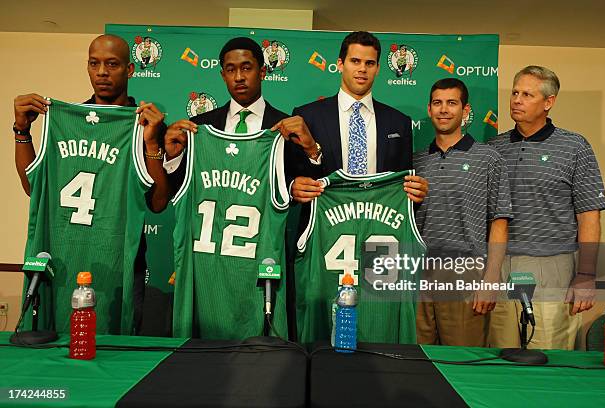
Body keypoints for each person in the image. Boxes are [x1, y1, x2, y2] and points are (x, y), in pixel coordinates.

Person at [162, 37, 317, 339]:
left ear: (262, 71)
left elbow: (308, 185)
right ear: (222, 74)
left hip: (261, 265)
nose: (238, 76)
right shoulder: (198, 127)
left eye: (246, 68)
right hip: (207, 266)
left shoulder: (284, 127)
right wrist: (172, 156)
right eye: (230, 69)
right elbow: (177, 193)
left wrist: (312, 151)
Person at [13, 34, 166, 334]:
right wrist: (21, 129)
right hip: (62, 260)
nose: (102, 72)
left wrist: (152, 143)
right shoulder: (64, 120)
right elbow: (35, 188)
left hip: (120, 264)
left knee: (116, 354)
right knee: (55, 351)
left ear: (130, 69)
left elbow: (158, 203)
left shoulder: (145, 124)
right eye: (94, 63)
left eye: (112, 64)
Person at [487, 65, 605, 350]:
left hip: (552, 267)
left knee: (548, 357)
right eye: (515, 92)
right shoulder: (494, 147)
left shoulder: (575, 147)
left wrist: (586, 275)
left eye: (527, 94)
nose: (516, 99)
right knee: (501, 356)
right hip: (501, 265)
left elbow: (589, 215)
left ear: (548, 102)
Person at [414, 78, 512, 347]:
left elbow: (500, 222)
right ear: (429, 109)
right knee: (416, 360)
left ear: (465, 110)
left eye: (451, 103)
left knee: (462, 362)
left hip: (466, 273)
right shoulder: (415, 161)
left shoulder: (488, 158)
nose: (444, 109)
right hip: (418, 273)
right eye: (437, 103)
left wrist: (490, 280)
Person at [288, 31, 428, 204]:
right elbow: (290, 176)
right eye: (355, 61)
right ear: (340, 64)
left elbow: (403, 187)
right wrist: (292, 187)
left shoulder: (399, 122)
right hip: (322, 224)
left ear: (377, 69)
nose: (362, 69)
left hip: (379, 224)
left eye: (369, 63)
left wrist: (415, 195)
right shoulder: (308, 116)